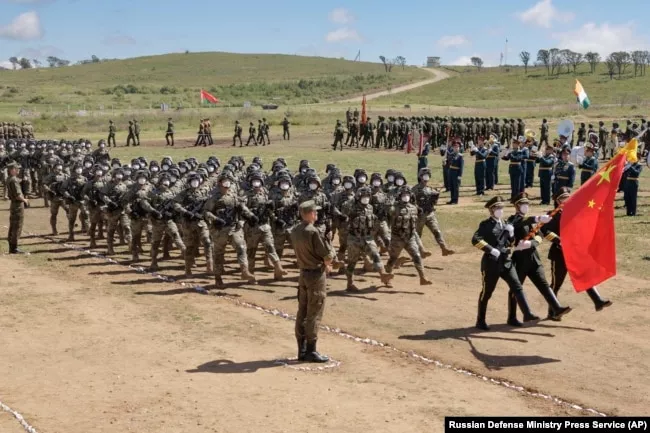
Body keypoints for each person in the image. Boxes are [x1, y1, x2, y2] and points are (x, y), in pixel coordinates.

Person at [540, 187, 613, 317]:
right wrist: (559, 240)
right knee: (557, 283)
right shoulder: (552, 214)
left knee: (584, 276)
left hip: (575, 252)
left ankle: (598, 300)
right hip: (559, 254)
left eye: (568, 197)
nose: (566, 200)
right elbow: (545, 232)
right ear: (557, 200)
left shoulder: (574, 212)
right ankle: (553, 311)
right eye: (563, 198)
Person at [471, 195, 539, 330]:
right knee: (487, 292)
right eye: (497, 208)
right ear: (491, 210)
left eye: (501, 207)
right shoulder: (485, 225)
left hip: (507, 262)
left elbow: (511, 243)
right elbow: (475, 240)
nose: (500, 210)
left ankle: (524, 314)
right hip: (491, 263)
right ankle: (480, 320)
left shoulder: (506, 224)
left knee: (517, 286)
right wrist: (490, 250)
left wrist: (512, 234)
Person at [507, 192, 572, 324]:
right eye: (523, 204)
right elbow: (519, 224)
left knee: (544, 284)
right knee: (516, 287)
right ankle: (512, 317)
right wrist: (535, 218)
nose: (525, 206)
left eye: (527, 203)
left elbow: (539, 235)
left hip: (533, 258)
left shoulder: (530, 221)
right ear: (516, 206)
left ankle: (556, 308)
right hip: (520, 260)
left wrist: (532, 243)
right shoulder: (512, 220)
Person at [291, 200, 332, 363]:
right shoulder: (313, 232)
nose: (316, 214)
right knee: (314, 312)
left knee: (302, 311)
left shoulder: (295, 230)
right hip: (316, 275)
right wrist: (329, 261)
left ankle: (301, 349)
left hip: (303, 273)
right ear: (308, 213)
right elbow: (326, 256)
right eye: (314, 212)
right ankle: (311, 350)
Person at [6, 162, 29, 254]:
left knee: (12, 225)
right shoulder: (14, 180)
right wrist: (25, 200)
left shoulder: (9, 179)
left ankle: (12, 246)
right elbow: (18, 195)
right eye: (17, 168)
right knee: (17, 225)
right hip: (18, 205)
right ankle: (14, 248)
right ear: (12, 170)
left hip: (13, 204)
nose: (18, 170)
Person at [447, 139, 463, 204]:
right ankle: (452, 199)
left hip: (456, 172)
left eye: (457, 147)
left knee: (456, 187)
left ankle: (455, 200)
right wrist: (445, 162)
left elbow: (461, 167)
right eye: (454, 147)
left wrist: (460, 176)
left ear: (459, 148)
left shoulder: (460, 156)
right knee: (451, 186)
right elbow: (448, 163)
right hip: (451, 172)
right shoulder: (451, 154)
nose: (456, 148)